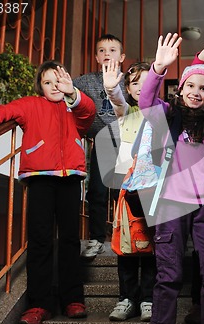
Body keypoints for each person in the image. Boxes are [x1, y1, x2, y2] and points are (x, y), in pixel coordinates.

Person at [0, 61, 96, 324]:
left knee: (70, 240)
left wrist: (72, 93)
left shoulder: (74, 107)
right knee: (40, 241)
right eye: (48, 82)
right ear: (39, 86)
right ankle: (39, 304)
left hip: (71, 178)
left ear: (67, 82)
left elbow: (89, 113)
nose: (54, 87)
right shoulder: (31, 104)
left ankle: (72, 299)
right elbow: (6, 110)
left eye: (58, 81)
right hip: (40, 179)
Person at [138, 32, 204, 324]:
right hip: (170, 206)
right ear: (180, 88)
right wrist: (158, 69)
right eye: (190, 86)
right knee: (168, 276)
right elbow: (146, 100)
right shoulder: (167, 115)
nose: (196, 92)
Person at [102, 60, 157, 322]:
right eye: (136, 83)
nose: (142, 87)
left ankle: (147, 299)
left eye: (148, 82)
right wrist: (112, 89)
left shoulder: (161, 113)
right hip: (126, 189)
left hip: (152, 189)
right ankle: (126, 299)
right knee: (125, 247)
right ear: (128, 88)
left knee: (150, 248)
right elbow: (117, 102)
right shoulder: (127, 112)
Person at [73, 34, 126, 259]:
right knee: (97, 192)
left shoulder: (129, 79)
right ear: (96, 57)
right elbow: (64, 89)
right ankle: (96, 239)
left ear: (122, 56)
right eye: (102, 50)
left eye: (112, 50)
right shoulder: (86, 81)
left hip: (127, 141)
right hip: (102, 141)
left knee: (126, 192)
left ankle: (129, 235)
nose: (107, 54)